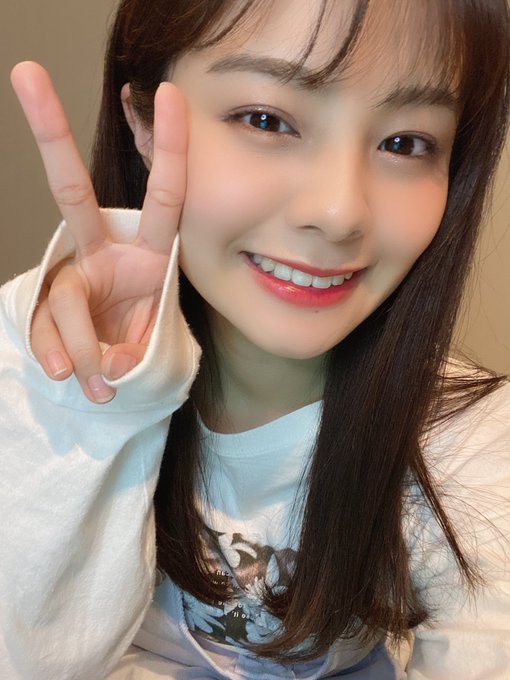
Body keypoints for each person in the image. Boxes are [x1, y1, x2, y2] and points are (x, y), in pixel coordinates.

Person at [1, 0, 510, 678]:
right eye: (266, 120)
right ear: (143, 123)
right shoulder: (40, 357)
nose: (340, 213)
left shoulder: (468, 440)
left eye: (406, 143)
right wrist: (91, 406)